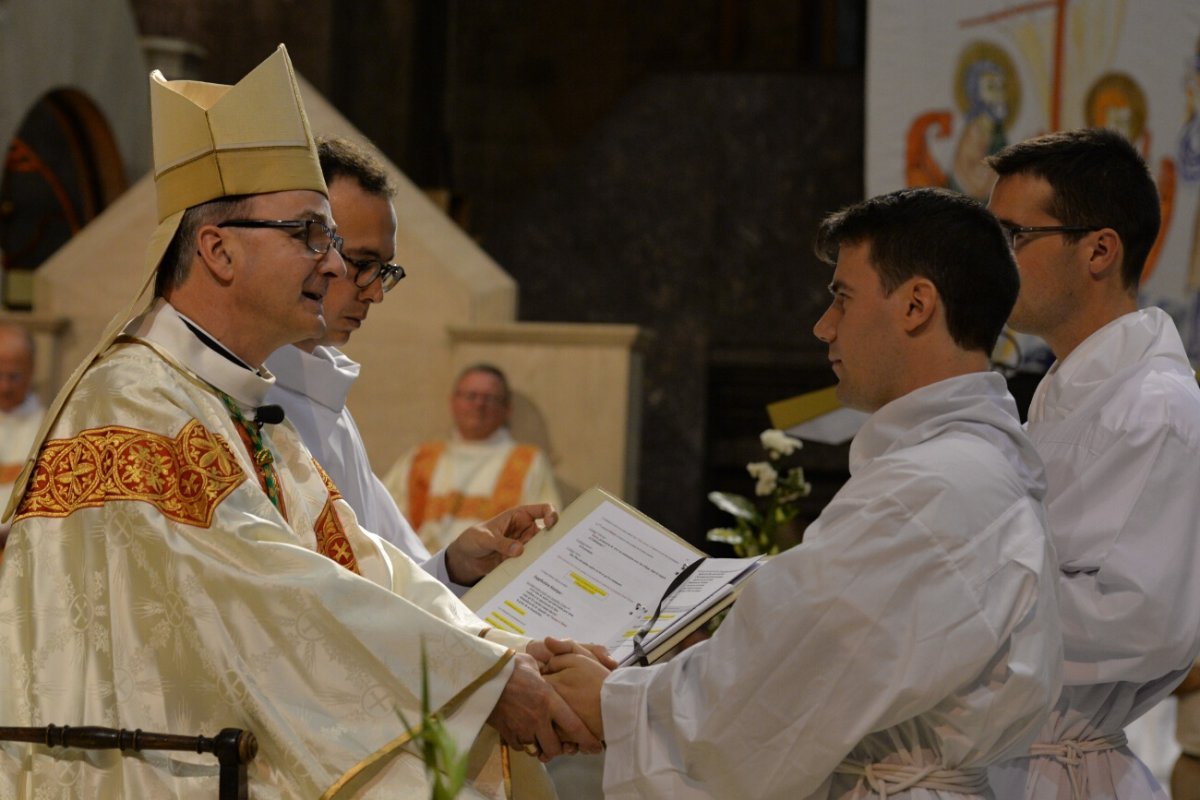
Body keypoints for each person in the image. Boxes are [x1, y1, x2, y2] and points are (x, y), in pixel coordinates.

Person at [0, 46, 600, 799]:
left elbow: (356, 561)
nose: (332, 265)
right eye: (311, 236)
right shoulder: (134, 403)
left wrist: (493, 647)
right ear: (217, 250)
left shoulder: (235, 399)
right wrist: (478, 676)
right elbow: (269, 587)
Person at [543, 187, 1063, 799]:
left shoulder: (931, 486)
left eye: (842, 298)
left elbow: (778, 688)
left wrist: (616, 703)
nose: (824, 327)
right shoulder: (974, 462)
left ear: (917, 305)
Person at [985, 127, 1200, 799]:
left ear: (1099, 250)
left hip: (1066, 770)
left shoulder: (1153, 406)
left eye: (1013, 237)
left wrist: (958, 595)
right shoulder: (1070, 388)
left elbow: (1144, 621)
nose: (990, 262)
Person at [264, 136, 524, 592]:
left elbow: (391, 574)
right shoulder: (246, 398)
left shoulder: (329, 403)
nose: (375, 291)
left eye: (385, 270)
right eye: (363, 263)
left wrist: (456, 565)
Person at [384, 364, 561, 552]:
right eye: (471, 396)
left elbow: (544, 529)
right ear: (453, 401)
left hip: (493, 574)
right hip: (421, 569)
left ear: (507, 408)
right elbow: (383, 518)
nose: (479, 404)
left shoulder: (527, 461)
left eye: (489, 398)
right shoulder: (420, 457)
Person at [0, 323, 41, 549]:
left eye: (13, 376)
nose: (4, 386)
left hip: (20, 552)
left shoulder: (49, 429)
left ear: (31, 370)